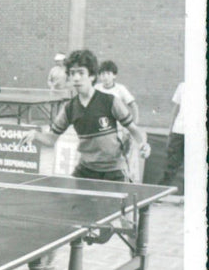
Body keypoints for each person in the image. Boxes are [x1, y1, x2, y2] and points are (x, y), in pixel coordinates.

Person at [22, 49, 150, 180]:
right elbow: (51, 139)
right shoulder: (69, 108)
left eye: (81, 73)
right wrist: (36, 134)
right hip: (86, 170)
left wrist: (142, 144)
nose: (76, 77)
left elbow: (133, 129)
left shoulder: (110, 101)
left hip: (113, 170)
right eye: (72, 73)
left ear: (92, 76)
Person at [94, 60, 142, 181]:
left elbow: (134, 106)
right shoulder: (96, 88)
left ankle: (126, 181)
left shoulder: (120, 89)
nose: (104, 77)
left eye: (108, 74)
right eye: (102, 74)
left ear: (114, 75)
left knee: (119, 160)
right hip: (100, 131)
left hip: (118, 132)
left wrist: (133, 126)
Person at [158, 81, 185, 189]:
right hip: (178, 131)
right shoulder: (182, 86)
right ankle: (159, 194)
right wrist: (170, 129)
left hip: (197, 133)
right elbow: (176, 109)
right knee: (171, 165)